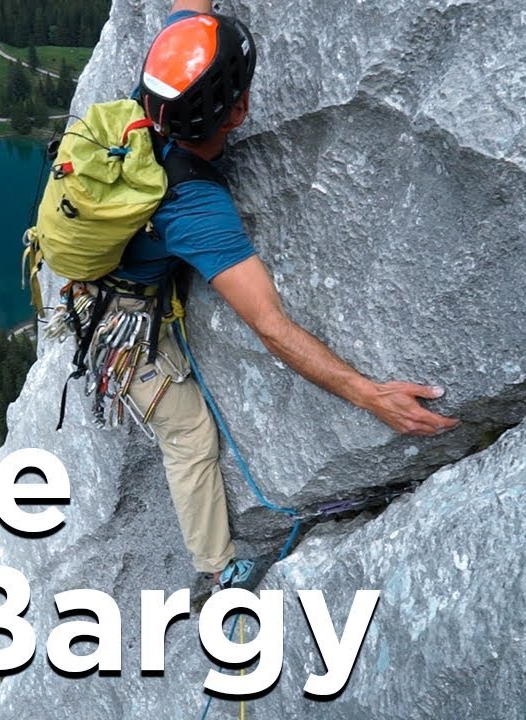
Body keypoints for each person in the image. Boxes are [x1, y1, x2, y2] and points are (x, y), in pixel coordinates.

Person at [88, 0, 459, 601]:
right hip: (122, 320)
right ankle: (217, 570)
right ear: (240, 110)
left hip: (107, 270)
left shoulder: (159, 91)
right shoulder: (195, 209)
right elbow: (271, 327)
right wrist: (371, 395)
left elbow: (189, 15)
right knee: (187, 434)